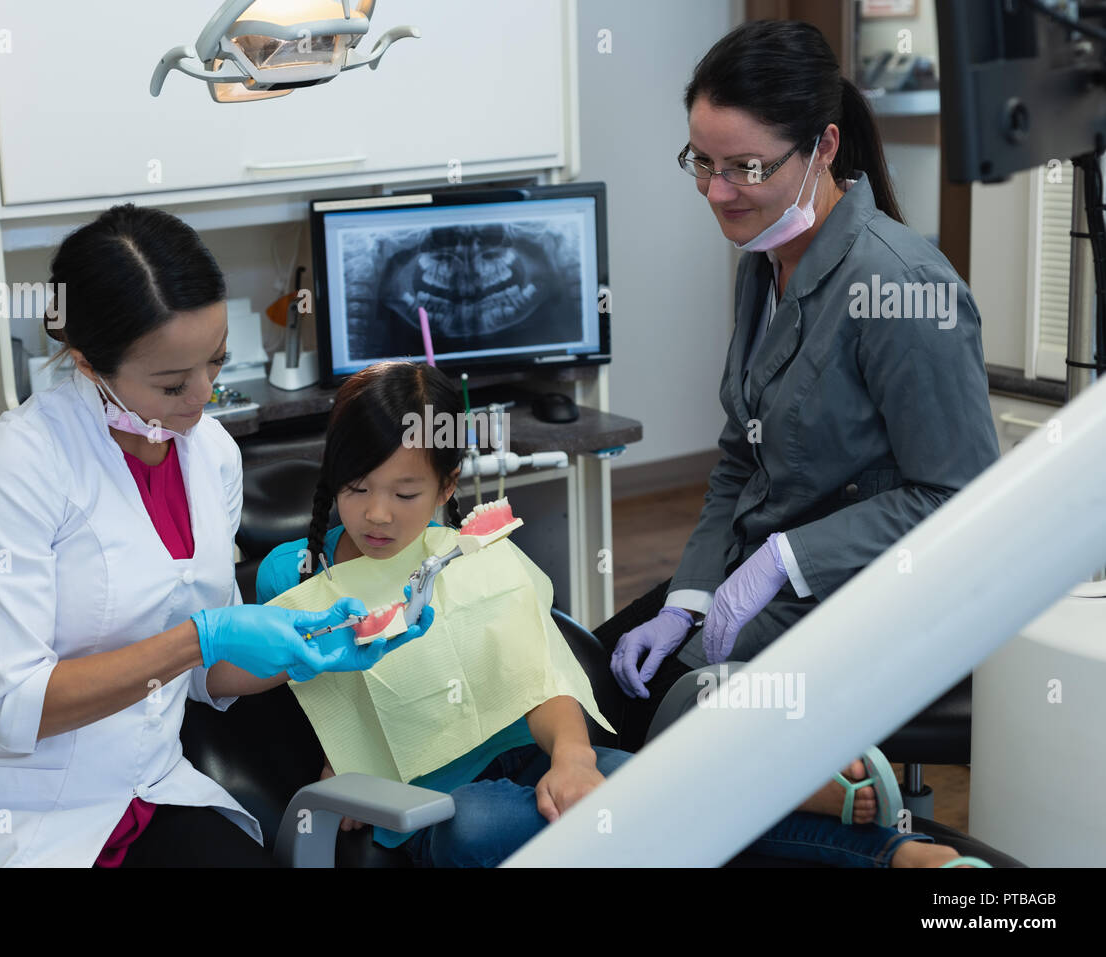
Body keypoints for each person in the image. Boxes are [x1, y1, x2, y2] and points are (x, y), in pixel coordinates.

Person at [257, 362, 973, 868]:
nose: (377, 513)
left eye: (406, 493)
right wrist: (335, 751)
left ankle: (899, 856)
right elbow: (247, 675)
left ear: (448, 486)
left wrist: (570, 757)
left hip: (532, 748)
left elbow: (541, 672)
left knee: (617, 798)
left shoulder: (470, 552)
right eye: (356, 487)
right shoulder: (293, 573)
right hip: (433, 795)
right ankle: (763, 790)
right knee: (485, 826)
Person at [0, 205, 426, 868]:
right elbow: (15, 708)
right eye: (173, 382)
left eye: (216, 362)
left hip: (153, 791)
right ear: (88, 362)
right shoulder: (14, 468)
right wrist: (198, 636)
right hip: (33, 819)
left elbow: (206, 676)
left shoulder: (210, 454)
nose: (204, 395)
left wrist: (309, 644)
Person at [607, 20, 1000, 751]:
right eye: (702, 161)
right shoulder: (764, 262)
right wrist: (689, 595)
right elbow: (739, 457)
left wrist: (789, 558)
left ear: (822, 146)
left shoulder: (901, 286)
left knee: (663, 738)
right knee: (591, 683)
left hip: (864, 596)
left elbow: (959, 501)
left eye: (747, 168)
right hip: (754, 579)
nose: (717, 192)